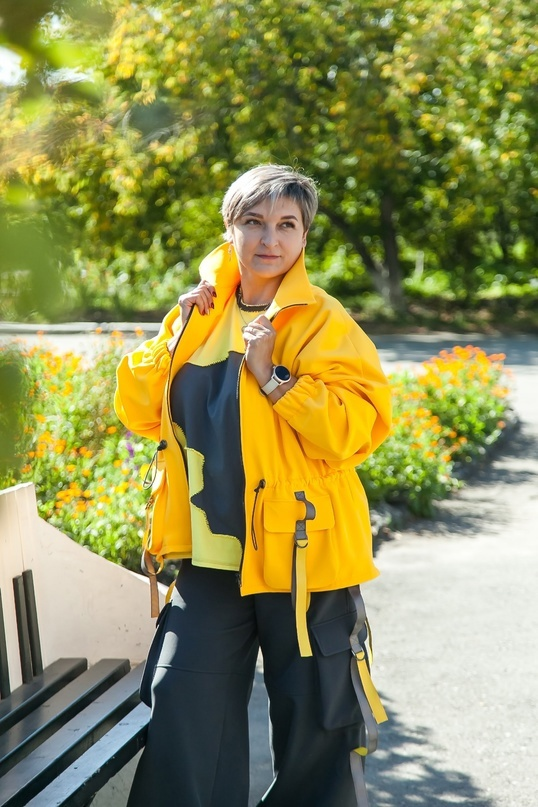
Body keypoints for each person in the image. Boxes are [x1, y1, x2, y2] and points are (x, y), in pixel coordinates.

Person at [114, 164, 392, 807]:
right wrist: (172, 336)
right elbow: (140, 411)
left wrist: (276, 381)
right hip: (212, 560)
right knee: (182, 706)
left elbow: (356, 430)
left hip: (304, 560)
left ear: (304, 237)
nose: (270, 239)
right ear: (229, 228)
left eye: (286, 225)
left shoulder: (322, 320)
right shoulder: (199, 314)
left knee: (319, 729)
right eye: (254, 222)